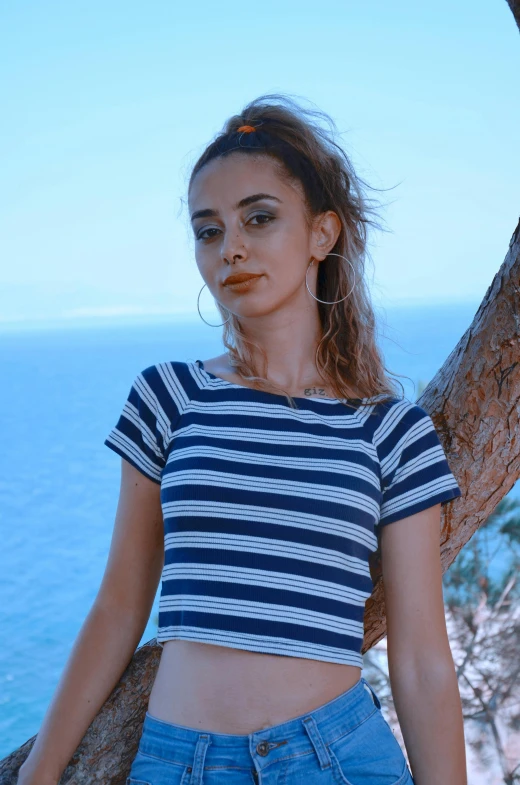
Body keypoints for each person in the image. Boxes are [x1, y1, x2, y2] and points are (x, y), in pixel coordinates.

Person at [17, 94, 468, 785]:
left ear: (322, 233)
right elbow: (119, 604)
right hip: (181, 763)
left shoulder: (391, 429)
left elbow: (421, 658)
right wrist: (39, 770)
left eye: (259, 218)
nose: (230, 247)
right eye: (208, 229)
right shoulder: (168, 396)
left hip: (338, 761)